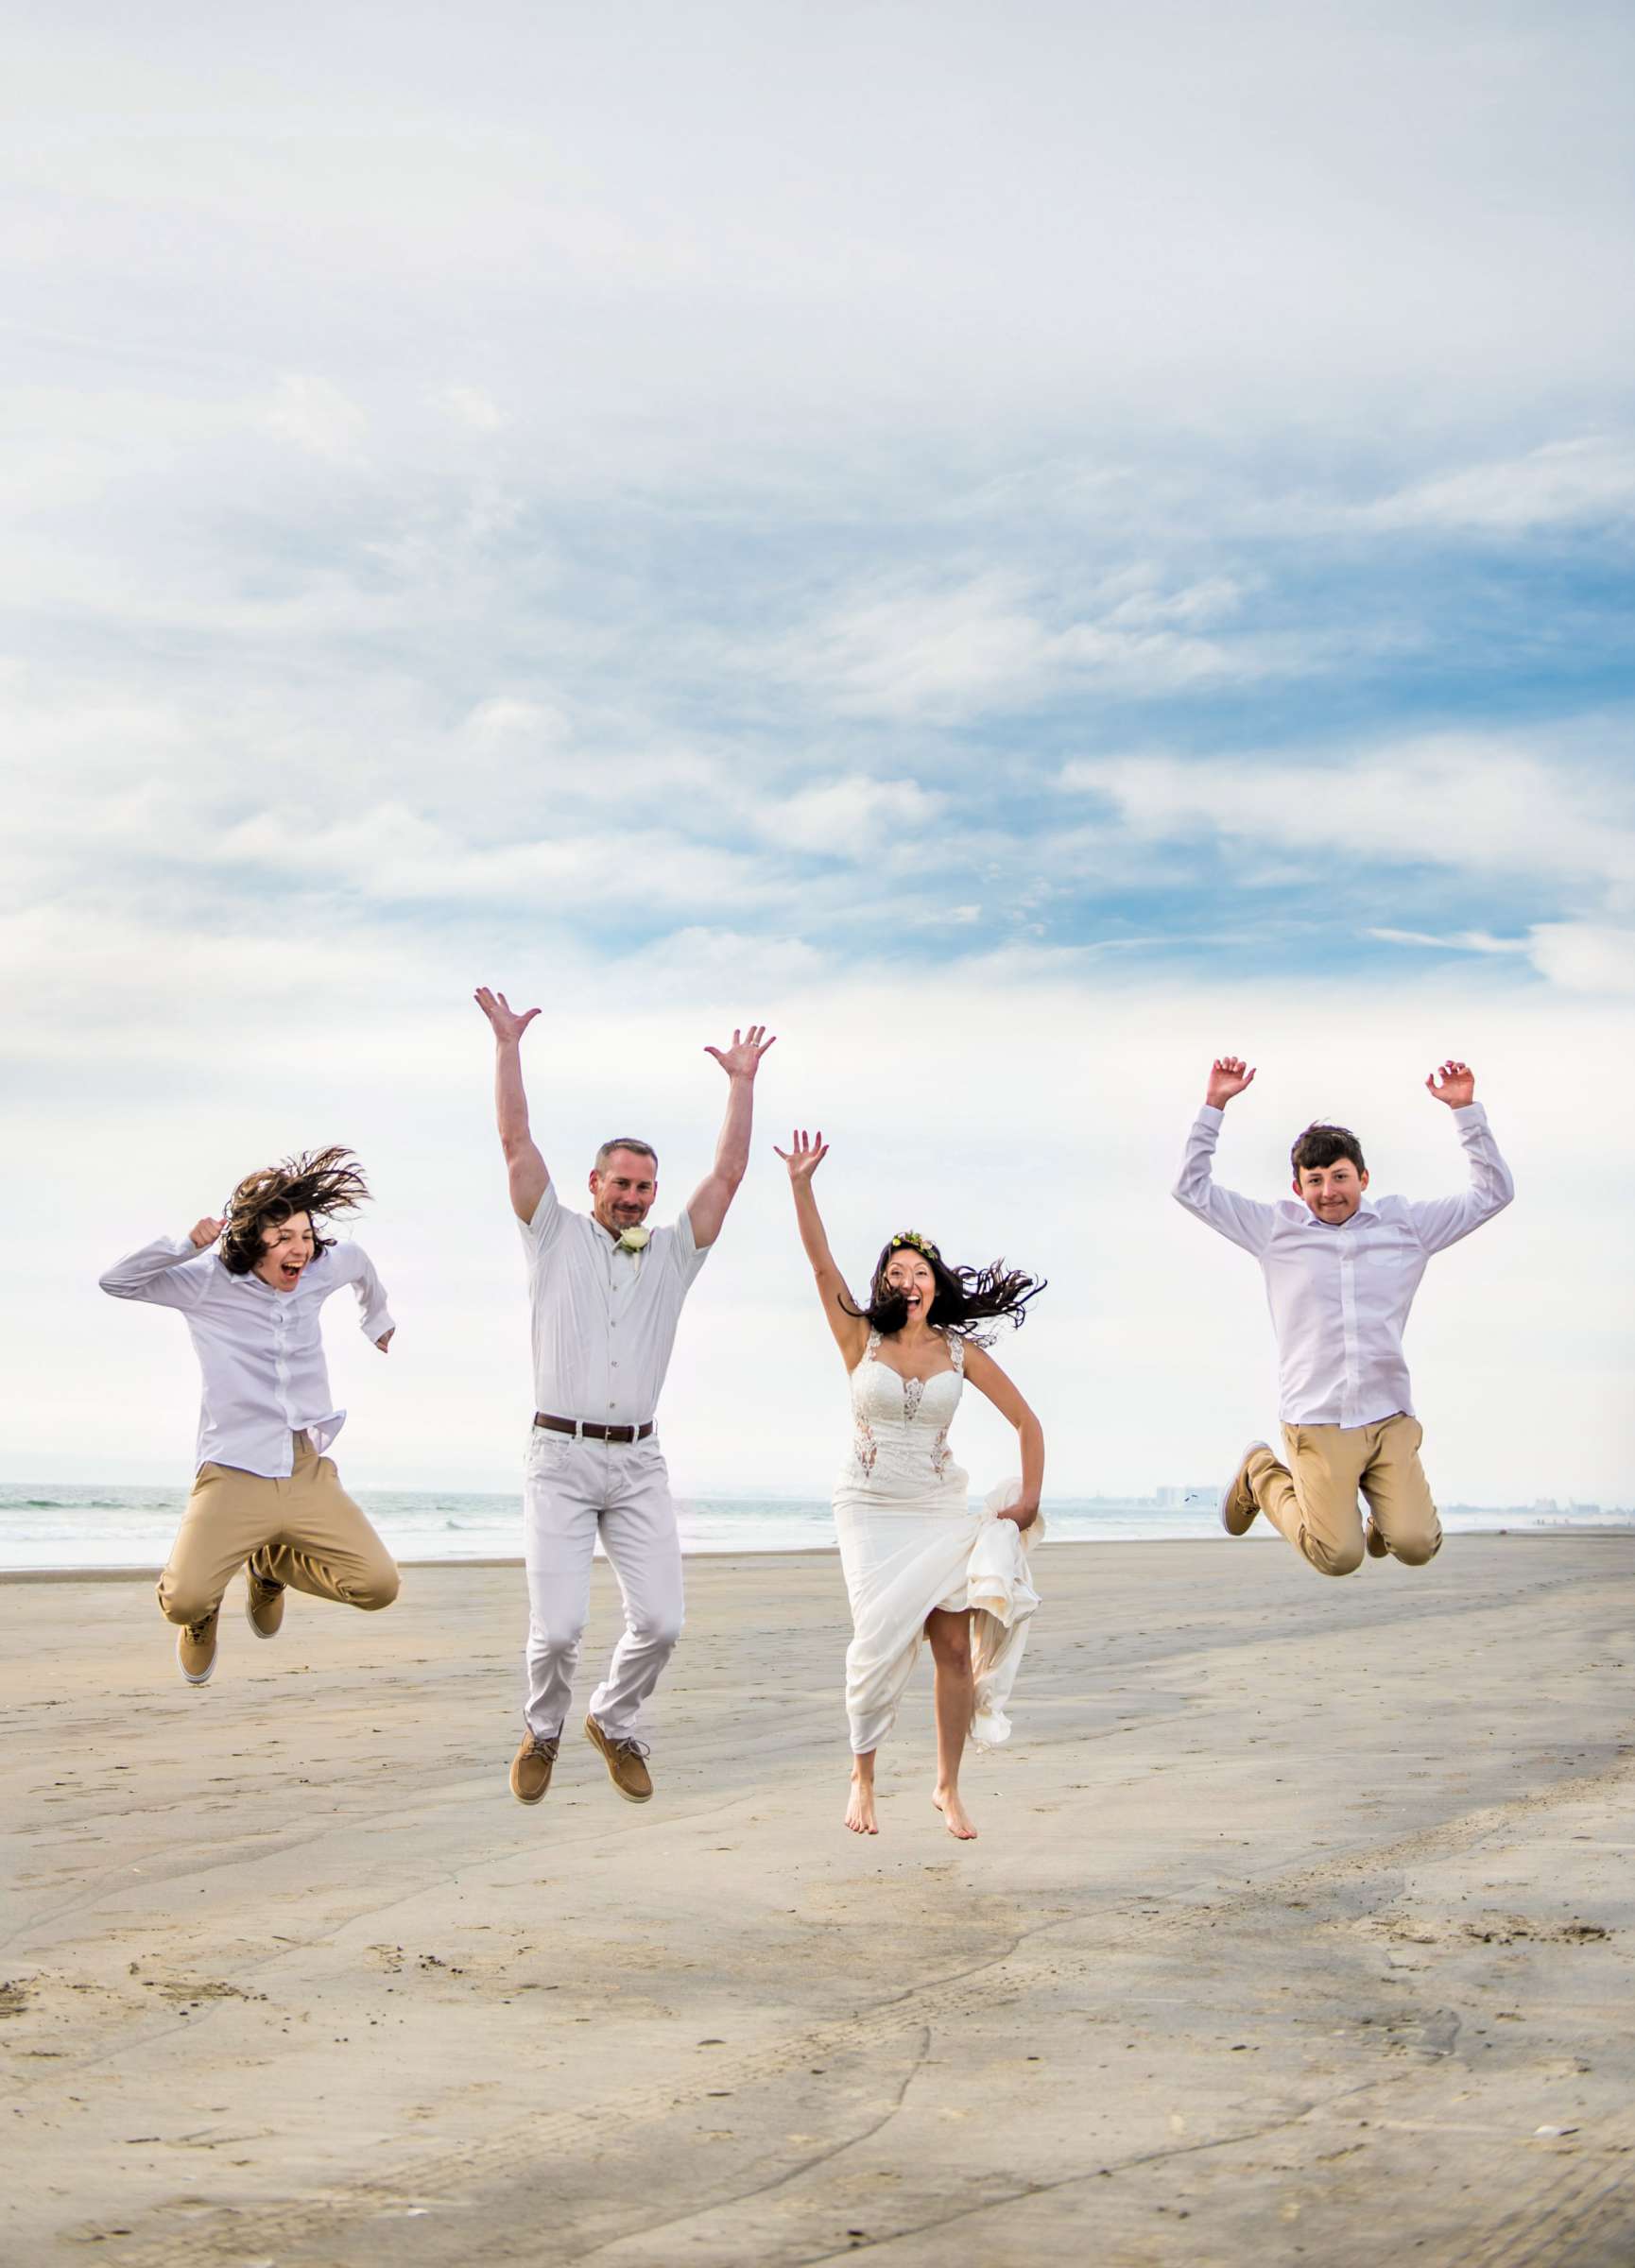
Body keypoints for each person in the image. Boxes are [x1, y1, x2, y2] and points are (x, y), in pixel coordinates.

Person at [475, 987, 774, 1810]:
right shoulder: (553, 1233)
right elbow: (514, 1140)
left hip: (639, 1461)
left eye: (646, 1188)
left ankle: (615, 1717)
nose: (636, 1198)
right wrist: (508, 1045)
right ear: (596, 1183)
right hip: (559, 1460)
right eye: (624, 1185)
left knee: (664, 1624)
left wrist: (740, 1083)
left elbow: (730, 1173)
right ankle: (544, 1731)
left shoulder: (675, 1256)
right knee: (560, 1628)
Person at [776, 1128, 1046, 1842]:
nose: (908, 1282)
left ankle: (947, 1787)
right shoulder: (858, 1336)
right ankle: (862, 1776)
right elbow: (817, 1261)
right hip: (867, 1508)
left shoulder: (960, 1352)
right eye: (895, 1272)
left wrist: (1027, 1504)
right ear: (884, 1285)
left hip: (934, 1508)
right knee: (874, 1642)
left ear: (935, 1283)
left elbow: (1028, 1422)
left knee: (953, 1650)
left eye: (919, 1271)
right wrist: (802, 1185)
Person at [1173, 1056, 1514, 1576]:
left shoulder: (1407, 1226)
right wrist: (1214, 1106)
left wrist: (1465, 1112)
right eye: (1315, 1180)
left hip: (1387, 1413)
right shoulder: (1274, 1231)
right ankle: (1261, 1472)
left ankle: (1383, 1514)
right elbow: (1191, 1191)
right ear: (1298, 1188)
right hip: (1317, 1417)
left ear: (1363, 1177)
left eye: (1339, 1177)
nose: (1328, 1191)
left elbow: (1493, 1194)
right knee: (1338, 1556)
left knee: (1417, 1544)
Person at [98, 1148, 399, 1687]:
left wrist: (375, 1320)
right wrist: (185, 1245)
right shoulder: (206, 1282)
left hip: (304, 1465)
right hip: (233, 1467)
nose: (299, 1250)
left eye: (305, 1236)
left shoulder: (325, 1266)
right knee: (183, 1600)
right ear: (250, 1239)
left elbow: (360, 1267)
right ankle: (206, 1609)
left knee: (377, 1586)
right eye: (284, 1238)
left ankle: (267, 1565)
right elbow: (116, 1282)